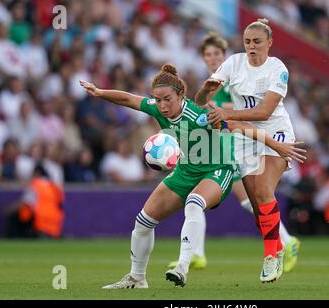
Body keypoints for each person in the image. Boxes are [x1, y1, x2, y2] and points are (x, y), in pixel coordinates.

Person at [79, 64, 306, 288]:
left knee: (194, 203)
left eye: (167, 99)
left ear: (181, 95)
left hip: (216, 170)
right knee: (142, 222)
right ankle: (137, 278)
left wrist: (277, 146)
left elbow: (239, 125)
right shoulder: (158, 109)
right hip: (185, 171)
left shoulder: (200, 114)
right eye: (157, 100)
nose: (162, 105)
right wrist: (99, 92)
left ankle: (182, 267)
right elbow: (129, 99)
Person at [168, 32, 300, 273]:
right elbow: (202, 105)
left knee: (257, 194)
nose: (212, 58)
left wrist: (223, 111)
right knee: (246, 201)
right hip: (235, 140)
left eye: (216, 54)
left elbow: (253, 112)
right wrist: (204, 95)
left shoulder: (245, 74)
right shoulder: (219, 76)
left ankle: (282, 244)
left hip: (247, 137)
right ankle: (197, 252)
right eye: (207, 55)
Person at [5, 163, 65, 238]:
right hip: (55, 223)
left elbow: (25, 202)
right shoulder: (53, 186)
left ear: (37, 173)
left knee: (17, 215)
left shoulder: (36, 185)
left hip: (41, 222)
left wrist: (9, 209)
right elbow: (61, 201)